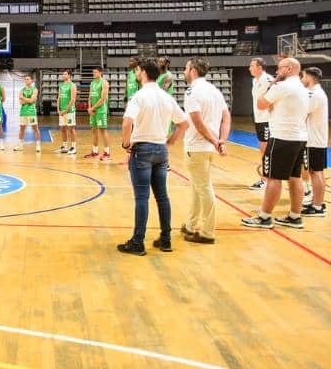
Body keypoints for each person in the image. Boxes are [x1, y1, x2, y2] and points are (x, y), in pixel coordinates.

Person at [119, 58, 189, 256]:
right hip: (161, 150)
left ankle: (138, 242)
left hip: (142, 149)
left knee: (142, 197)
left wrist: (126, 143)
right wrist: (171, 140)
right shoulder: (166, 97)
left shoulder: (139, 96)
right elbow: (184, 124)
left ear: (142, 72)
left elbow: (127, 123)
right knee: (162, 197)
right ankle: (165, 239)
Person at [242, 57, 309, 230]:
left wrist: (273, 86)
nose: (277, 72)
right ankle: (295, 216)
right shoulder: (301, 87)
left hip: (281, 137)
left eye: (279, 69)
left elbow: (261, 104)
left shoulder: (282, 86)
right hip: (299, 137)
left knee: (273, 177)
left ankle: (264, 217)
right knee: (295, 178)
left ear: (289, 69)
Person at [181, 58, 231, 244]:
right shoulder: (215, 90)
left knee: (204, 188)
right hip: (208, 147)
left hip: (198, 146)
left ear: (193, 70)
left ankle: (208, 232)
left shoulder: (192, 91)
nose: (184, 72)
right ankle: (191, 224)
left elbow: (197, 121)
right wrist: (221, 140)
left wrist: (214, 140)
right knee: (197, 187)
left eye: (186, 68)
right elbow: (226, 117)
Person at [301, 67, 327, 217]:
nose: (302, 80)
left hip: (313, 140)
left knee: (315, 172)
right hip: (317, 138)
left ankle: (317, 206)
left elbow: (302, 112)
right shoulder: (318, 93)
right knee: (316, 172)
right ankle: (318, 202)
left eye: (303, 77)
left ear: (309, 78)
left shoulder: (314, 94)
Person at [248, 57, 274, 190]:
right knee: (262, 149)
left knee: (265, 150)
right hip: (259, 119)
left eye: (252, 66)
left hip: (267, 120)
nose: (249, 68)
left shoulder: (268, 80)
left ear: (259, 67)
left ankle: (265, 179)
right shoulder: (255, 80)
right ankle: (267, 177)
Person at [85, 66, 111, 161]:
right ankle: (95, 151)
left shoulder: (104, 83)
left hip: (100, 110)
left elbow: (102, 99)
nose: (94, 74)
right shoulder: (92, 83)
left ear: (100, 73)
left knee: (103, 131)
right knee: (94, 130)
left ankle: (107, 152)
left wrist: (93, 108)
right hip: (93, 110)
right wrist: (89, 108)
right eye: (93, 72)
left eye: (95, 72)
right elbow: (90, 96)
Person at [14, 74, 41, 152]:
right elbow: (21, 102)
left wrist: (23, 98)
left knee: (35, 129)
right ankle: (20, 145)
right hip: (23, 112)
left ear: (31, 80)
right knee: (22, 128)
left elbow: (32, 101)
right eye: (25, 79)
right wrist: (27, 100)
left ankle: (38, 146)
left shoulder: (35, 89)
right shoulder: (22, 90)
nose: (26, 80)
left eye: (28, 79)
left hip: (31, 112)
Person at [57, 69, 77, 154]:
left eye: (65, 74)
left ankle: (73, 147)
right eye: (63, 74)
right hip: (62, 111)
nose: (63, 75)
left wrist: (66, 110)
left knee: (71, 128)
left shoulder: (72, 85)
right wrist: (58, 109)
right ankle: (64, 146)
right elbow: (59, 98)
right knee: (62, 128)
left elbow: (73, 99)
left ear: (69, 75)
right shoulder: (61, 85)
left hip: (69, 111)